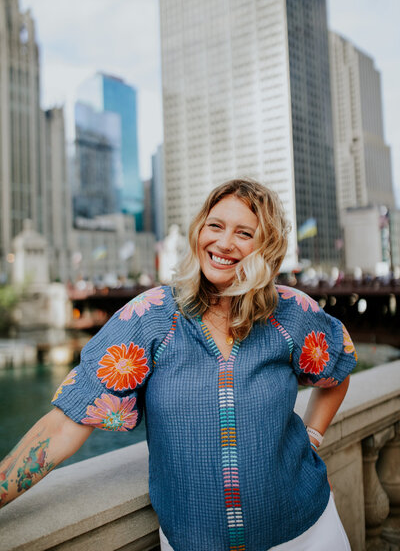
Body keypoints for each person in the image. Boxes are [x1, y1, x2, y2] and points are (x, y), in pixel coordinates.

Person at [0, 179, 356, 550]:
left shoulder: (292, 313)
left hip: (308, 534)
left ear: (266, 247)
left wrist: (312, 439)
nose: (223, 242)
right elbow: (65, 424)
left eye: (244, 233)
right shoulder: (149, 317)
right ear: (198, 230)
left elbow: (339, 370)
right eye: (214, 225)